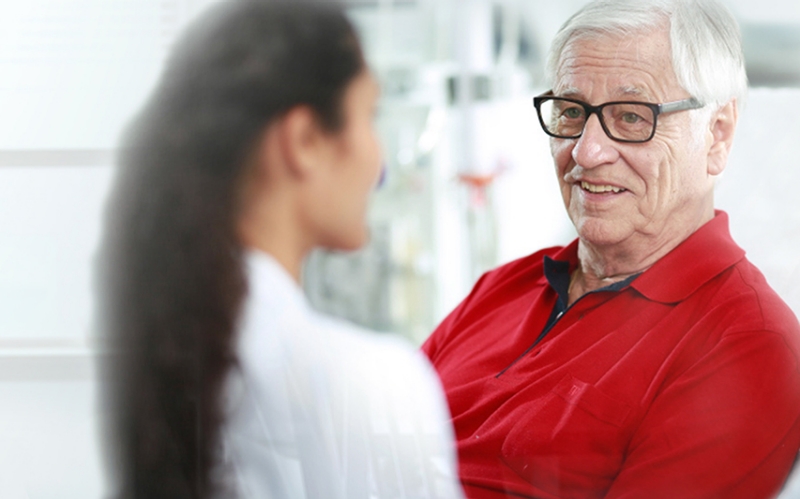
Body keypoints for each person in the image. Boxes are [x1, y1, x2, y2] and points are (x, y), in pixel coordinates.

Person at [422, 0, 800, 497]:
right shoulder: (503, 286)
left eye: (631, 117)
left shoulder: (747, 344)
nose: (586, 151)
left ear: (717, 135)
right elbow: (369, 438)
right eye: (572, 112)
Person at [96, 2, 464, 498]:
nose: (378, 161)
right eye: (369, 116)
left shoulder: (162, 352)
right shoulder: (374, 385)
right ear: (305, 140)